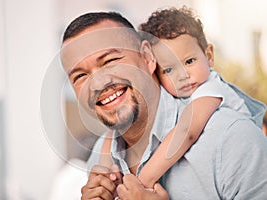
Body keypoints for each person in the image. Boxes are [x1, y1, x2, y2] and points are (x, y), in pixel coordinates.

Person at [60, 11, 267, 200]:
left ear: (148, 58)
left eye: (111, 61)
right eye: (80, 76)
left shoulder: (232, 138)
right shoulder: (99, 157)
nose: (98, 84)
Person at [124, 6, 266, 189]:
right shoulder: (179, 94)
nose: (182, 75)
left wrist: (144, 180)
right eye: (168, 70)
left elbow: (187, 132)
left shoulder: (210, 88)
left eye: (189, 61)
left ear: (209, 56)